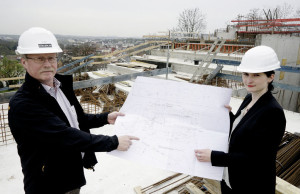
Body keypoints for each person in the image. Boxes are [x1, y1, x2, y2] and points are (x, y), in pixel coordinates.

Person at [8, 27, 139, 194]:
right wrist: (113, 142)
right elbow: (64, 134)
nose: (47, 64)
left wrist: (105, 118)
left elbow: (74, 119)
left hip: (70, 176)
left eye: (51, 58)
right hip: (48, 184)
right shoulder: (24, 104)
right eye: (40, 58)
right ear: (24, 61)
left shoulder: (60, 87)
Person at [194, 46, 286, 194]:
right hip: (231, 181)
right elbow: (243, 131)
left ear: (270, 77)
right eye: (246, 74)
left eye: (256, 75)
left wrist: (213, 157)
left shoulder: (272, 112)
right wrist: (229, 116)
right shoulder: (250, 98)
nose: (249, 80)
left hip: (251, 186)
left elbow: (255, 159)